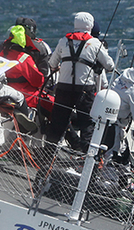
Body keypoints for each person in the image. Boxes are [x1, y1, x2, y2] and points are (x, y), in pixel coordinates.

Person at [45, 11, 116, 151]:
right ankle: (86, 158)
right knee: (87, 124)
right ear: (90, 25)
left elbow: (52, 64)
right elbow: (110, 65)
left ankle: (47, 156)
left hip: (63, 88)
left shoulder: (63, 41)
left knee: (58, 123)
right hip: (84, 89)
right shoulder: (95, 43)